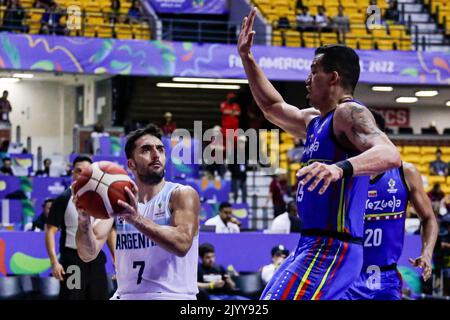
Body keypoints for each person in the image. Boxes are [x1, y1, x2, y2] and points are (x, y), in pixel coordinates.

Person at [238, 8, 401, 300]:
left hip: (332, 247)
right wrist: (247, 59)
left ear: (334, 78)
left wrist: (340, 168)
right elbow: (272, 108)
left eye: (314, 71)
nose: (307, 79)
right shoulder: (316, 120)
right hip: (311, 243)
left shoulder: (349, 112)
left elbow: (389, 154)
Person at [75, 124, 201, 300]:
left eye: (160, 149)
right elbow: (87, 253)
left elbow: (182, 244)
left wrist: (136, 219)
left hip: (171, 295)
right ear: (131, 163)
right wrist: (84, 222)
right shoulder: (117, 201)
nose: (156, 155)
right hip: (125, 295)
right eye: (146, 149)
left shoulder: (181, 194)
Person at [341, 110, 438, 300]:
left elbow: (428, 218)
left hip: (386, 278)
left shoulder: (405, 172)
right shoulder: (340, 173)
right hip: (346, 277)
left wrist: (426, 253)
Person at [45, 155, 115, 300]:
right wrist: (54, 262)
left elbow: (108, 231)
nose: (82, 174)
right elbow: (50, 230)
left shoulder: (100, 198)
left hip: (95, 259)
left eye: (87, 171)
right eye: (78, 171)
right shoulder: (63, 199)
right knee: (72, 297)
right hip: (73, 261)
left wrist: (116, 258)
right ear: (73, 173)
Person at [228, 136, 248, 204]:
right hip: (236, 177)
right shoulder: (234, 153)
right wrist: (235, 172)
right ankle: (234, 205)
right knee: (235, 194)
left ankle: (244, 206)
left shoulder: (245, 153)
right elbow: (230, 165)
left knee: (244, 193)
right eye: (241, 143)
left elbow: (245, 165)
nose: (242, 145)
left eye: (244, 143)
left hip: (243, 177)